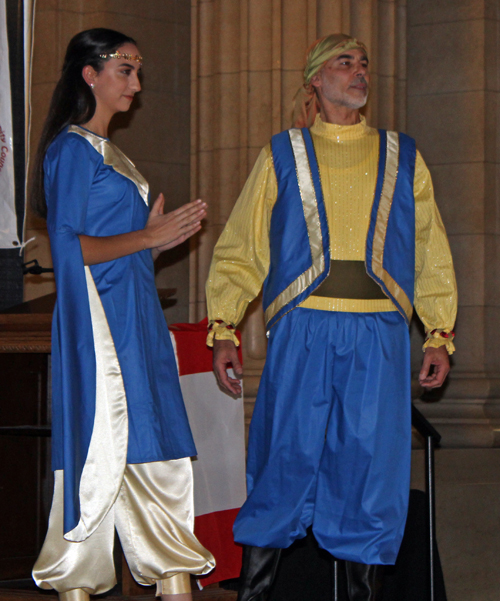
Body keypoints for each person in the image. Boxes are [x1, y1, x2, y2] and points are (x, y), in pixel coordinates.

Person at [205, 33, 457, 601]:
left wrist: (439, 333)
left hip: (380, 335)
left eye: (364, 63)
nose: (359, 71)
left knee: (369, 474)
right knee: (284, 460)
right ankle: (256, 593)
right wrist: (223, 327)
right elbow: (243, 246)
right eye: (345, 62)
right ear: (316, 80)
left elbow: (429, 248)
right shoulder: (282, 153)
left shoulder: (402, 155)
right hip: (304, 331)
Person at [30, 28, 215, 601]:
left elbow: (115, 245)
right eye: (124, 70)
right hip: (102, 328)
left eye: (138, 70)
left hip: (134, 316)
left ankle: (173, 578)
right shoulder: (70, 150)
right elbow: (67, 251)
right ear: (90, 74)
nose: (136, 82)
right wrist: (144, 237)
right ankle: (86, 582)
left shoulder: (111, 153)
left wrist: (152, 245)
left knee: (154, 442)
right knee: (105, 446)